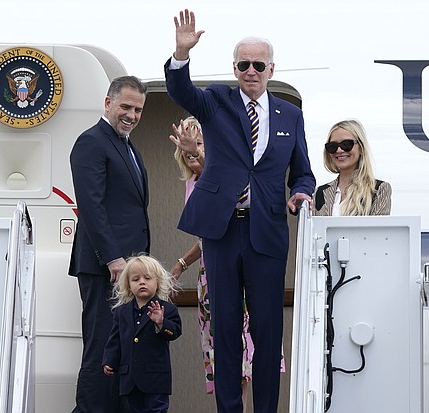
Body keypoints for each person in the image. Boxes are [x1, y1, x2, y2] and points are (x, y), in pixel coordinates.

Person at [165, 9, 316, 413]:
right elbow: (182, 93)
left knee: (267, 333)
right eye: (244, 64)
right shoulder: (217, 101)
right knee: (226, 331)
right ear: (235, 68)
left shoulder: (291, 115)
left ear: (271, 68)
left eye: (258, 64)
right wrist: (181, 55)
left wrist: (301, 194)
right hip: (222, 232)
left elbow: (303, 173)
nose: (251, 71)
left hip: (266, 232)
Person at [68, 75, 150, 413]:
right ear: (108, 103)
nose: (131, 115)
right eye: (125, 107)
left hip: (128, 270)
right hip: (107, 268)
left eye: (138, 109)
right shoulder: (91, 142)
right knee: (101, 349)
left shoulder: (128, 146)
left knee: (120, 351)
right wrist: (114, 259)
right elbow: (91, 205)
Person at [169, 117, 256, 412]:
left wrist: (205, 162)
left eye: (199, 146)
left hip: (238, 273)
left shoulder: (230, 174)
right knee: (219, 354)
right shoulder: (193, 183)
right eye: (187, 151)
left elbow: (233, 213)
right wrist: (182, 264)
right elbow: (208, 234)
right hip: (210, 276)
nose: (192, 154)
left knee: (239, 354)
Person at [102, 255, 182, 413]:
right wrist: (109, 360)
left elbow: (175, 332)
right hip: (130, 378)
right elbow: (115, 340)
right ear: (128, 285)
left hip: (156, 378)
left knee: (156, 410)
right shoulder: (121, 312)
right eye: (136, 279)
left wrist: (160, 322)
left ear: (157, 282)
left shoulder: (167, 309)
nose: (142, 282)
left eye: (147, 278)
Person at [313, 119, 391, 216]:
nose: (339, 150)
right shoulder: (320, 193)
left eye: (346, 144)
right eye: (332, 146)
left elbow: (378, 229)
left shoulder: (378, 189)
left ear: (361, 148)